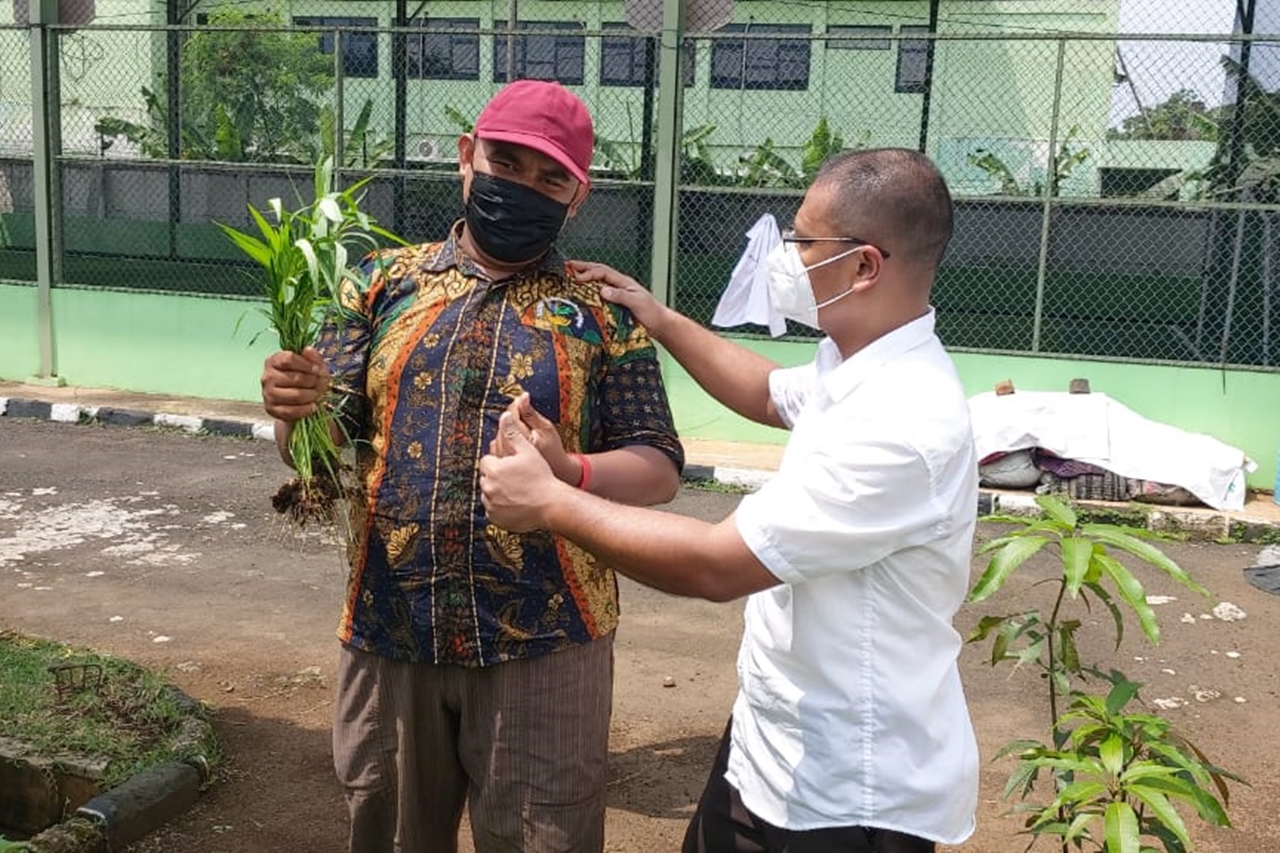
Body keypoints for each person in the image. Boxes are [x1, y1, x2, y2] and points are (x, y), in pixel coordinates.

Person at [480, 148, 979, 853]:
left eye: (804, 240)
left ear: (865, 266)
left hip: (851, 795)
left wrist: (549, 501)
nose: (787, 256)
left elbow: (717, 565)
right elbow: (767, 391)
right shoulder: (858, 361)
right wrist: (656, 315)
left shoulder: (904, 423)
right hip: (769, 748)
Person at [259, 79, 685, 853]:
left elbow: (657, 465)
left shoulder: (601, 312)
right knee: (385, 828)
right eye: (507, 161)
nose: (523, 186)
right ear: (467, 158)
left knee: (541, 837)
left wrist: (571, 472)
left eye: (550, 176)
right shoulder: (381, 284)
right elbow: (325, 438)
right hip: (391, 627)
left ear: (577, 196)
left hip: (547, 640)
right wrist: (295, 410)